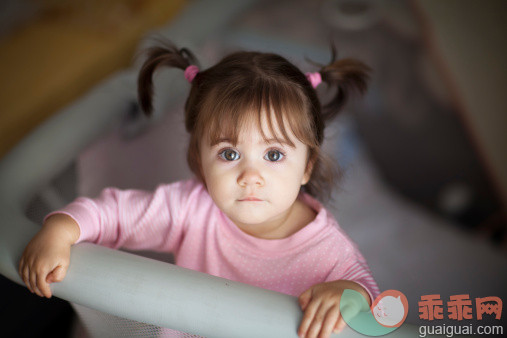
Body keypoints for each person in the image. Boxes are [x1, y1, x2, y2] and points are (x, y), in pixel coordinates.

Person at [19, 40, 380, 338]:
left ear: (307, 166)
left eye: (273, 154)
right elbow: (117, 214)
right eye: (229, 153)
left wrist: (351, 295)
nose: (250, 175)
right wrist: (62, 228)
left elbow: (373, 303)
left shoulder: (328, 251)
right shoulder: (193, 209)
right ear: (198, 160)